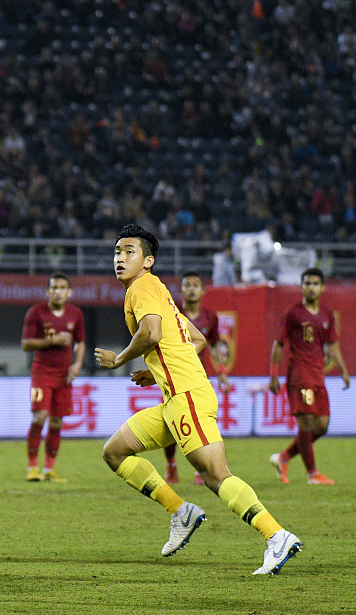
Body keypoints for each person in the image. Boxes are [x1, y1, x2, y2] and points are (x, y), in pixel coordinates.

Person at [94, 223, 301, 575]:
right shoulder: (159, 290)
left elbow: (151, 333)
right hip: (176, 398)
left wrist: (121, 359)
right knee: (114, 451)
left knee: (216, 475)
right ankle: (180, 510)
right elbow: (198, 339)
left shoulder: (141, 287)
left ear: (148, 260)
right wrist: (155, 369)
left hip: (187, 396)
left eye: (129, 251)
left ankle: (276, 536)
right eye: (117, 252)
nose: (120, 258)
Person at [268, 267, 350, 486]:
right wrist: (273, 375)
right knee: (306, 422)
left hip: (318, 376)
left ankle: (284, 457)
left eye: (315, 283)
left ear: (322, 287)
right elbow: (278, 344)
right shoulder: (293, 313)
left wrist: (343, 370)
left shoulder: (327, 315)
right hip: (299, 375)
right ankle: (313, 474)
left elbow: (333, 345)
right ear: (302, 286)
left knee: (322, 425)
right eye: (307, 283)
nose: (311, 287)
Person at [163, 271, 230, 486]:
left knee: (203, 425)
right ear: (181, 290)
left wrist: (221, 373)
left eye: (195, 285)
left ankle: (201, 469)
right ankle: (171, 464)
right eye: (187, 285)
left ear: (202, 290)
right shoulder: (171, 314)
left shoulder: (210, 317)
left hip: (199, 378)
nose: (191, 289)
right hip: (174, 377)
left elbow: (215, 346)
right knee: (173, 425)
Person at [20, 272, 85, 482]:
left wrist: (77, 364)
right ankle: (32, 467)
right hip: (42, 373)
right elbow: (26, 343)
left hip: (64, 376)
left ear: (69, 292)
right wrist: (53, 341)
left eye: (62, 288)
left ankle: (49, 469)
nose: (58, 292)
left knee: (57, 422)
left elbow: (81, 342)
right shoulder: (36, 313)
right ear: (48, 291)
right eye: (54, 288)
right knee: (40, 417)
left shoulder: (76, 314)